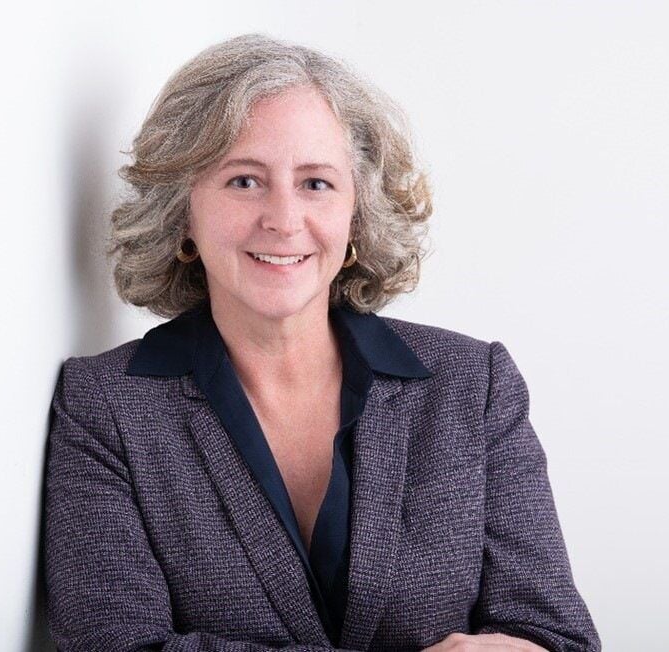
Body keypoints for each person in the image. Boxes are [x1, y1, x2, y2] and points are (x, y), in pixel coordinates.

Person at [43, 33, 600, 652]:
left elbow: (559, 640)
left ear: (356, 214)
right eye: (244, 181)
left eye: (316, 183)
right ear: (183, 210)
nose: (283, 220)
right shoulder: (103, 408)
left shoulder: (474, 385)